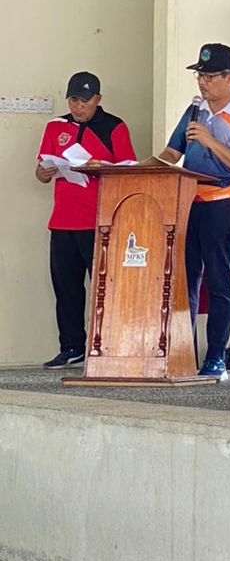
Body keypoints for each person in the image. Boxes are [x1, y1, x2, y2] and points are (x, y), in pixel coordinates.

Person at [156, 43, 230, 381]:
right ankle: (182, 354)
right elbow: (171, 154)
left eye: (210, 76)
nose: (202, 83)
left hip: (224, 203)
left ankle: (216, 358)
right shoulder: (194, 112)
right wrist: (125, 168)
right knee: (185, 280)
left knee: (219, 280)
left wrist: (211, 140)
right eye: (200, 76)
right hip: (189, 202)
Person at [35, 72, 136, 369]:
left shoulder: (114, 126)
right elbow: (41, 170)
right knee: (66, 288)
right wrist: (43, 172)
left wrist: (100, 167)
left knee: (104, 289)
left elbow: (129, 172)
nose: (79, 107)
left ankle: (107, 347)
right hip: (62, 221)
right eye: (74, 100)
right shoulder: (56, 127)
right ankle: (71, 347)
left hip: (99, 222)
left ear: (98, 100)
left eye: (86, 101)